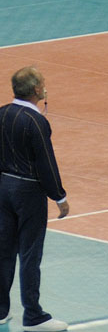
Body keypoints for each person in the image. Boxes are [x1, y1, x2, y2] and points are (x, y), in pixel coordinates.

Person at [0, 68, 69, 332]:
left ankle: (0, 310)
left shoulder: (2, 113)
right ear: (37, 89)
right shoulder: (36, 121)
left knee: (4, 251)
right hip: (28, 193)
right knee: (30, 253)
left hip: (3, 188)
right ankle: (33, 315)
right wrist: (59, 196)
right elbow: (46, 163)